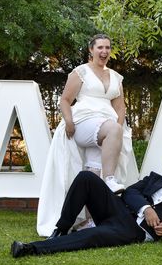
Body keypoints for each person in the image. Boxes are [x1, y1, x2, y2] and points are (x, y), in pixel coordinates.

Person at [36, 34, 139, 237]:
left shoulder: (116, 78)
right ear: (91, 50)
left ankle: (91, 222)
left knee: (94, 171)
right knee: (112, 133)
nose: (104, 51)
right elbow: (65, 100)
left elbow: (120, 108)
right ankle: (110, 179)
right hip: (83, 122)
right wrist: (68, 121)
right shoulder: (80, 72)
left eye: (108, 47)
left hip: (107, 127)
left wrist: (117, 131)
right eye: (100, 47)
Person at [11, 158, 162, 257]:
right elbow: (130, 192)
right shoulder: (155, 179)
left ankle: (30, 249)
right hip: (118, 210)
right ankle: (60, 229)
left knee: (92, 236)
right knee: (86, 177)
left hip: (134, 230)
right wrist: (146, 208)